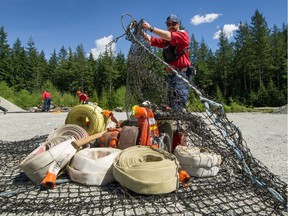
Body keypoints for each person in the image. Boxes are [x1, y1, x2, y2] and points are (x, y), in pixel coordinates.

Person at [142, 14, 192, 112]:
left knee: (178, 105)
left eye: (173, 24)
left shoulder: (183, 34)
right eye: (168, 24)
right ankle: (174, 124)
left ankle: (179, 121)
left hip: (181, 75)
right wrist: (139, 29)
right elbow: (150, 40)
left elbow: (169, 36)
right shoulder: (166, 41)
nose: (171, 26)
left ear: (178, 24)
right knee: (171, 104)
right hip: (171, 76)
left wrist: (150, 28)